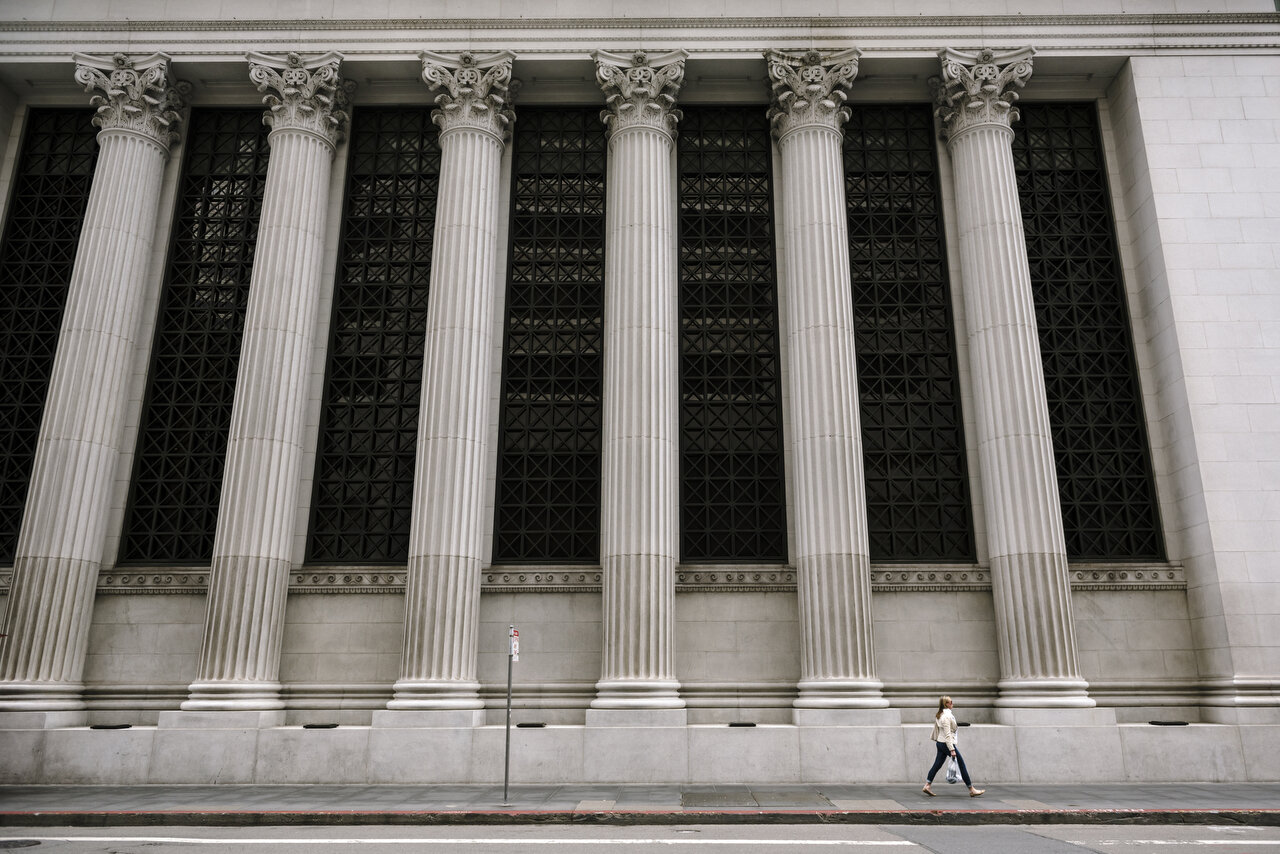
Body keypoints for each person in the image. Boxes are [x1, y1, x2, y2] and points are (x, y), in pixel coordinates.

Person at [921, 695, 984, 797]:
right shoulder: (946, 716)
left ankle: (927, 785)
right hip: (946, 744)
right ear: (945, 704)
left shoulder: (941, 714)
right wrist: (952, 749)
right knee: (961, 764)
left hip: (940, 743)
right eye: (950, 702)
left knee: (937, 764)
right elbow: (947, 735)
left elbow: (947, 728)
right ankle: (971, 789)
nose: (952, 704)